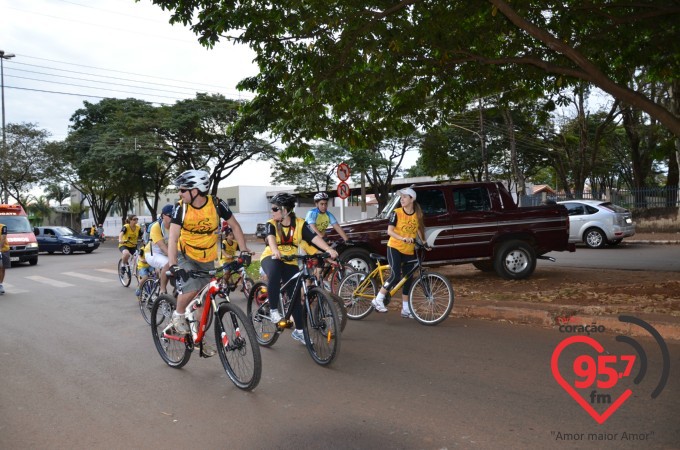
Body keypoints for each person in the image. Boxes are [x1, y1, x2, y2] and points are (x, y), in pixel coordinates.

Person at [167, 169, 252, 348]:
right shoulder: (181, 207)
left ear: (195, 190)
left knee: (206, 298)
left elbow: (235, 226)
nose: (180, 193)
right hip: (186, 254)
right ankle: (178, 314)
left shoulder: (216, 204)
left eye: (183, 190)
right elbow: (173, 237)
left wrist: (243, 250)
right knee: (192, 288)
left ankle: (198, 334)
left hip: (207, 256)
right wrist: (174, 264)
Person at [260, 193, 338, 344]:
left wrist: (328, 250)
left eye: (275, 208)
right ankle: (274, 310)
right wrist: (275, 250)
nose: (272, 211)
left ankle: (300, 331)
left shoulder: (300, 224)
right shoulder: (271, 224)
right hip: (271, 257)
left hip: (290, 261)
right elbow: (270, 238)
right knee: (275, 270)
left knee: (295, 297)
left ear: (285, 210)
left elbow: (314, 239)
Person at [371, 188, 429, 318]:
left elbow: (419, 228)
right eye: (401, 197)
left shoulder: (417, 214)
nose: (402, 199)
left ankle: (406, 309)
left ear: (412, 199)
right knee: (396, 275)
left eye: (404, 197)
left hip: (408, 250)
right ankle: (378, 299)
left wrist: (424, 242)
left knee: (408, 279)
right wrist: (402, 238)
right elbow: (390, 231)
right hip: (394, 247)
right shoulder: (396, 213)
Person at [144, 204, 174, 295]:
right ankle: (162, 290)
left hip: (166, 252)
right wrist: (173, 258)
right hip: (152, 253)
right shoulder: (156, 226)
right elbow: (162, 247)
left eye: (175, 215)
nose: (173, 218)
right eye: (170, 216)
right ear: (163, 215)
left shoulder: (175, 226)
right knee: (168, 263)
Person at [0, 223, 9, 295]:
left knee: (2, 268)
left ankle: (0, 285)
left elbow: (3, 238)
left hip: (3, 250)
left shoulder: (3, 227)